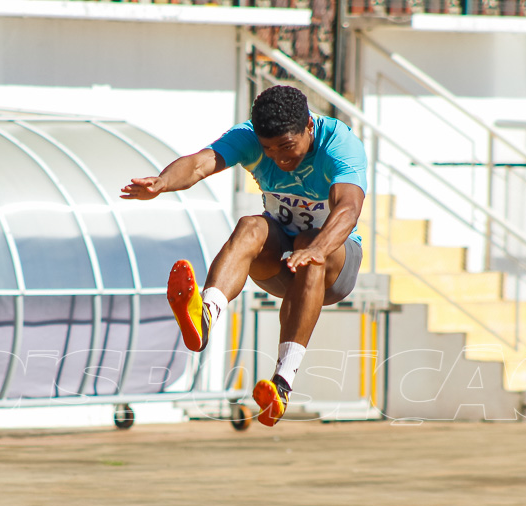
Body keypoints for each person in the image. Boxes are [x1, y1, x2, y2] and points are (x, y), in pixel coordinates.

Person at [120, 85, 367, 427]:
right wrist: (163, 182)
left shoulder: (339, 144)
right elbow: (198, 164)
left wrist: (317, 248)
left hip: (334, 266)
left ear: (309, 126)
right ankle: (205, 316)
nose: (280, 159)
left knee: (310, 245)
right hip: (281, 259)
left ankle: (282, 384)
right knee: (251, 225)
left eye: (287, 148)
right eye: (269, 150)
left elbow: (349, 208)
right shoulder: (248, 137)